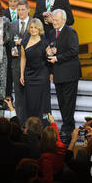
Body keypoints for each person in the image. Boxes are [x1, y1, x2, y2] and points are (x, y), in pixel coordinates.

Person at [47, 9, 81, 144]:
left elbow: (74, 51)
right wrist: (51, 71)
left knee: (68, 103)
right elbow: (51, 49)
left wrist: (58, 57)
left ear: (63, 20)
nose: (54, 22)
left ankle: (68, 129)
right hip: (58, 73)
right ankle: (67, 128)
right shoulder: (50, 33)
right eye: (53, 20)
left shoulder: (70, 32)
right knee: (62, 102)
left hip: (70, 74)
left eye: (56, 20)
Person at [19, 18, 51, 123]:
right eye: (31, 27)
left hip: (42, 75)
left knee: (42, 103)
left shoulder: (45, 42)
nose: (33, 30)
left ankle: (43, 125)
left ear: (39, 29)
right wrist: (22, 74)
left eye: (35, 28)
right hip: (29, 75)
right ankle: (29, 125)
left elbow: (49, 57)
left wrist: (51, 53)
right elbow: (23, 58)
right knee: (29, 102)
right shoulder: (24, 42)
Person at [8, 0, 31, 126]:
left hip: (31, 65)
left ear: (28, 10)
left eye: (23, 10)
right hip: (16, 64)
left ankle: (30, 123)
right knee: (18, 95)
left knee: (30, 95)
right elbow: (10, 43)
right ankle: (20, 124)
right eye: (19, 10)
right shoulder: (12, 25)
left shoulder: (34, 24)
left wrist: (22, 42)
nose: (21, 12)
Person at [4, 0, 19, 96]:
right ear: (8, 1)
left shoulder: (23, 13)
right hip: (7, 49)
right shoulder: (3, 14)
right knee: (8, 75)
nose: (13, 3)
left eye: (15, 1)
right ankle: (8, 98)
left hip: (20, 48)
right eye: (11, 1)